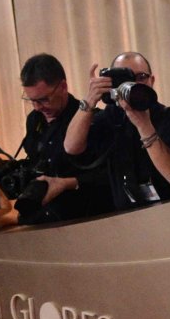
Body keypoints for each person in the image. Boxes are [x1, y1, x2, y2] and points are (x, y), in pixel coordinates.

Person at [64, 51, 170, 210]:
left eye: (140, 77)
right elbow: (71, 147)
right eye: (123, 80)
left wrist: (144, 126)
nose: (133, 85)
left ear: (152, 80)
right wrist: (90, 101)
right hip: (127, 219)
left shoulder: (168, 116)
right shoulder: (109, 118)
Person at [15, 53, 110, 224]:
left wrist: (67, 183)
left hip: (86, 218)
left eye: (44, 99)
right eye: (32, 100)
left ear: (63, 87)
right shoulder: (35, 119)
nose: (37, 107)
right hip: (44, 219)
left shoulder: (92, 119)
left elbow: (107, 175)